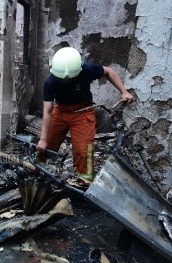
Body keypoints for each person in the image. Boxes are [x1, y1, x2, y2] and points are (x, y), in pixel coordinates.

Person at [36, 47, 134, 186]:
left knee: (83, 151)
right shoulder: (50, 81)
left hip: (83, 111)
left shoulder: (87, 70)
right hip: (61, 111)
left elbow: (108, 71)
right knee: (45, 147)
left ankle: (85, 182)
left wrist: (124, 92)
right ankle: (37, 172)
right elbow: (47, 111)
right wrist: (43, 139)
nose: (64, 81)